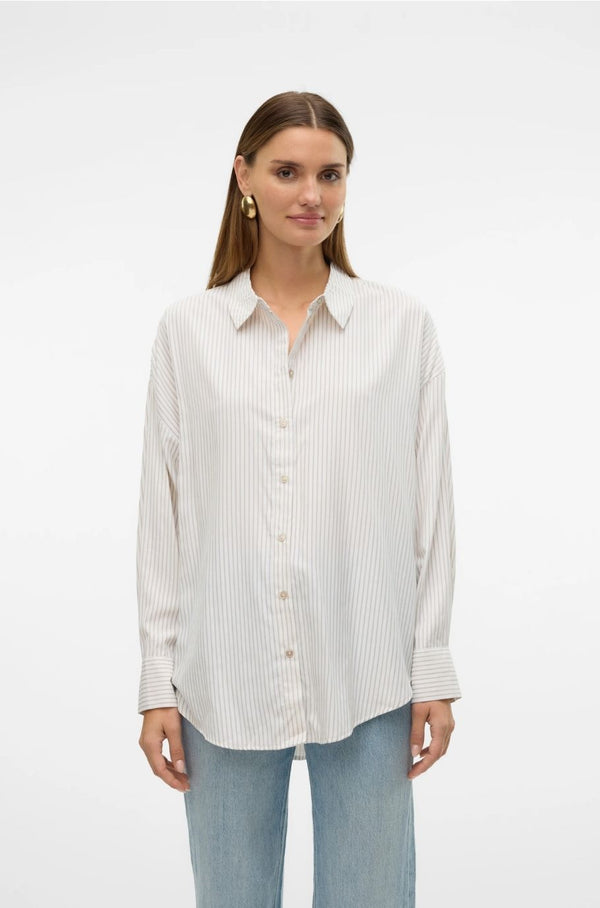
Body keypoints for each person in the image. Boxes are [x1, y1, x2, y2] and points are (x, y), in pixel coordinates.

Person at [136, 90, 462, 907]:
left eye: (331, 174)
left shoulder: (401, 328)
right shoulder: (188, 332)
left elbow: (432, 510)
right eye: (287, 172)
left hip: (370, 668)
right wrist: (157, 684)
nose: (312, 194)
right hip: (222, 673)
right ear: (244, 176)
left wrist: (433, 667)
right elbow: (162, 522)